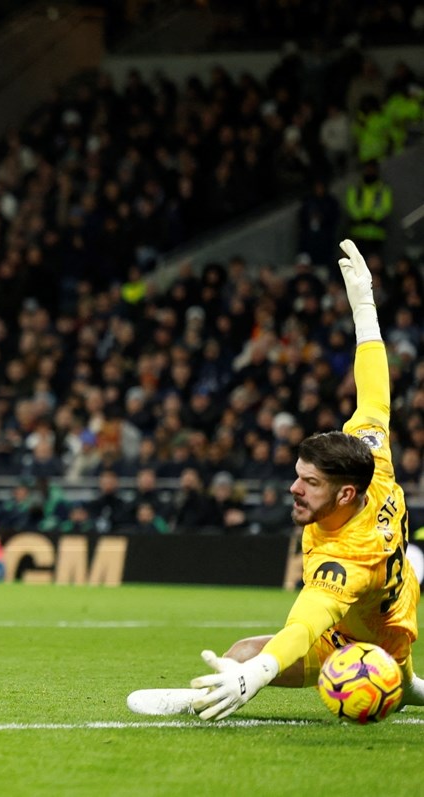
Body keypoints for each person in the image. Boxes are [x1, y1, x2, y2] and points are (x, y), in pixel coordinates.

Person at [128, 240, 424, 720]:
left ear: (345, 493)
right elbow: (375, 394)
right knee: (242, 649)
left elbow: (303, 626)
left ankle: (395, 681)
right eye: (297, 476)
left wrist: (261, 673)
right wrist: (364, 306)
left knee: (258, 656)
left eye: (309, 483)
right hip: (387, 616)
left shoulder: (347, 557)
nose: (294, 489)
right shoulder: (372, 459)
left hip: (362, 644)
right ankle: (405, 683)